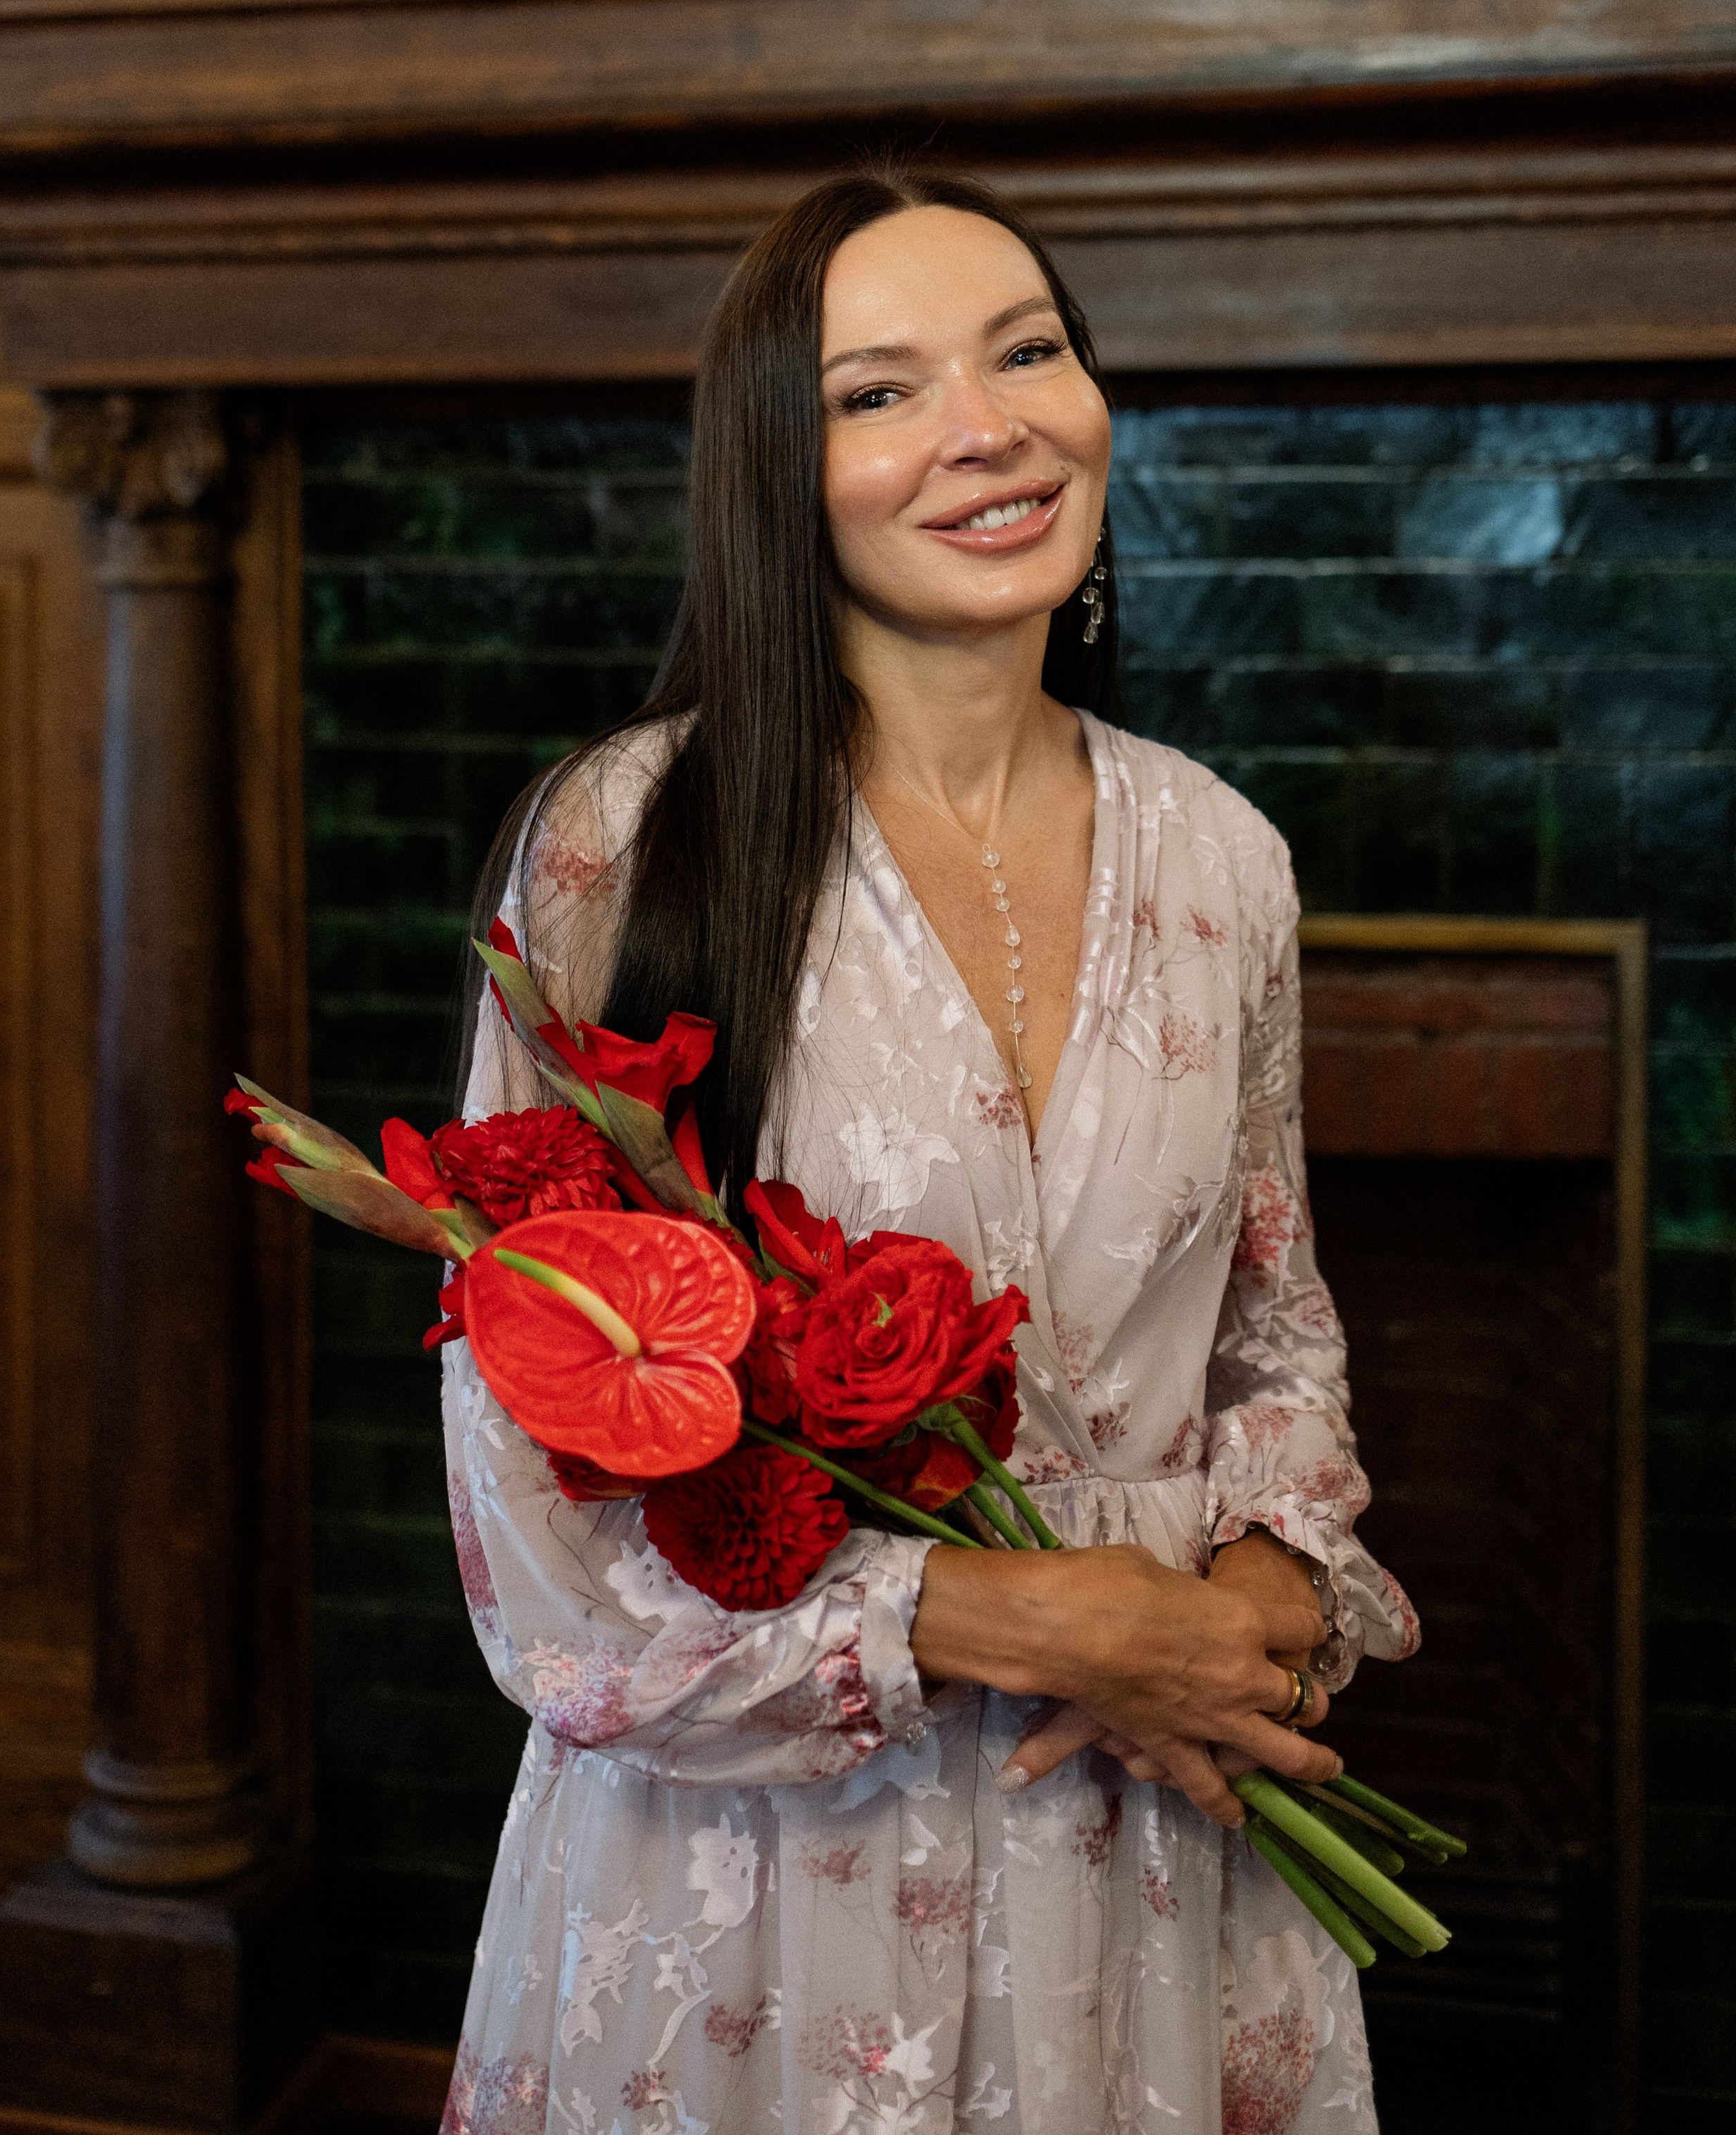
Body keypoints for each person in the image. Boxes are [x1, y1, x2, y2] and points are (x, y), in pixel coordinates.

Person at [438, 171, 1417, 2135]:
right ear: (777, 475)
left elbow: (1275, 1338)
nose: (992, 426)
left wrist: (1252, 1609)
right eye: (880, 391)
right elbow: (527, 1484)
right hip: (764, 1896)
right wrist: (995, 1615)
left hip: (1159, 1833)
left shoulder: (1223, 855)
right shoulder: (627, 846)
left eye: (1031, 350)